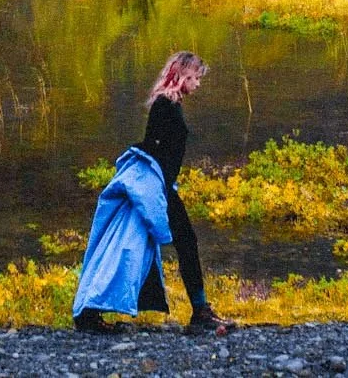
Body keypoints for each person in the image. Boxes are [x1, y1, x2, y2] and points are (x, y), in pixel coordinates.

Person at [72, 51, 233, 335]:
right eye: (195, 77)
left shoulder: (172, 103)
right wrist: (146, 188)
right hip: (155, 187)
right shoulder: (165, 105)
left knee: (142, 243)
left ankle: (200, 310)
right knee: (133, 244)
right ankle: (200, 312)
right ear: (182, 75)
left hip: (161, 186)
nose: (198, 83)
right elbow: (153, 146)